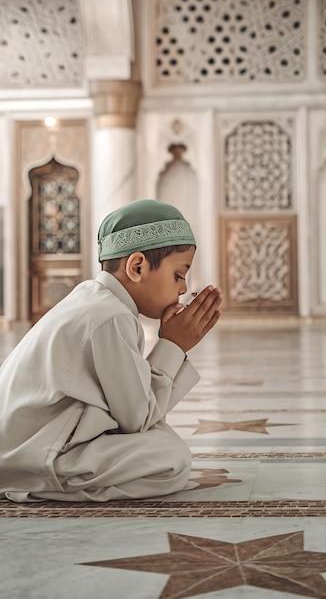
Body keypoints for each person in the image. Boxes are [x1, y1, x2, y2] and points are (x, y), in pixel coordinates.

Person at [0, 199, 222, 502]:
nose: (182, 289)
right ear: (137, 267)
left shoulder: (95, 300)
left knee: (162, 443)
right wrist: (174, 345)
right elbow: (137, 420)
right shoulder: (111, 317)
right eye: (178, 275)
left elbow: (132, 416)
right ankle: (36, 485)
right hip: (31, 455)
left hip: (26, 445)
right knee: (172, 458)